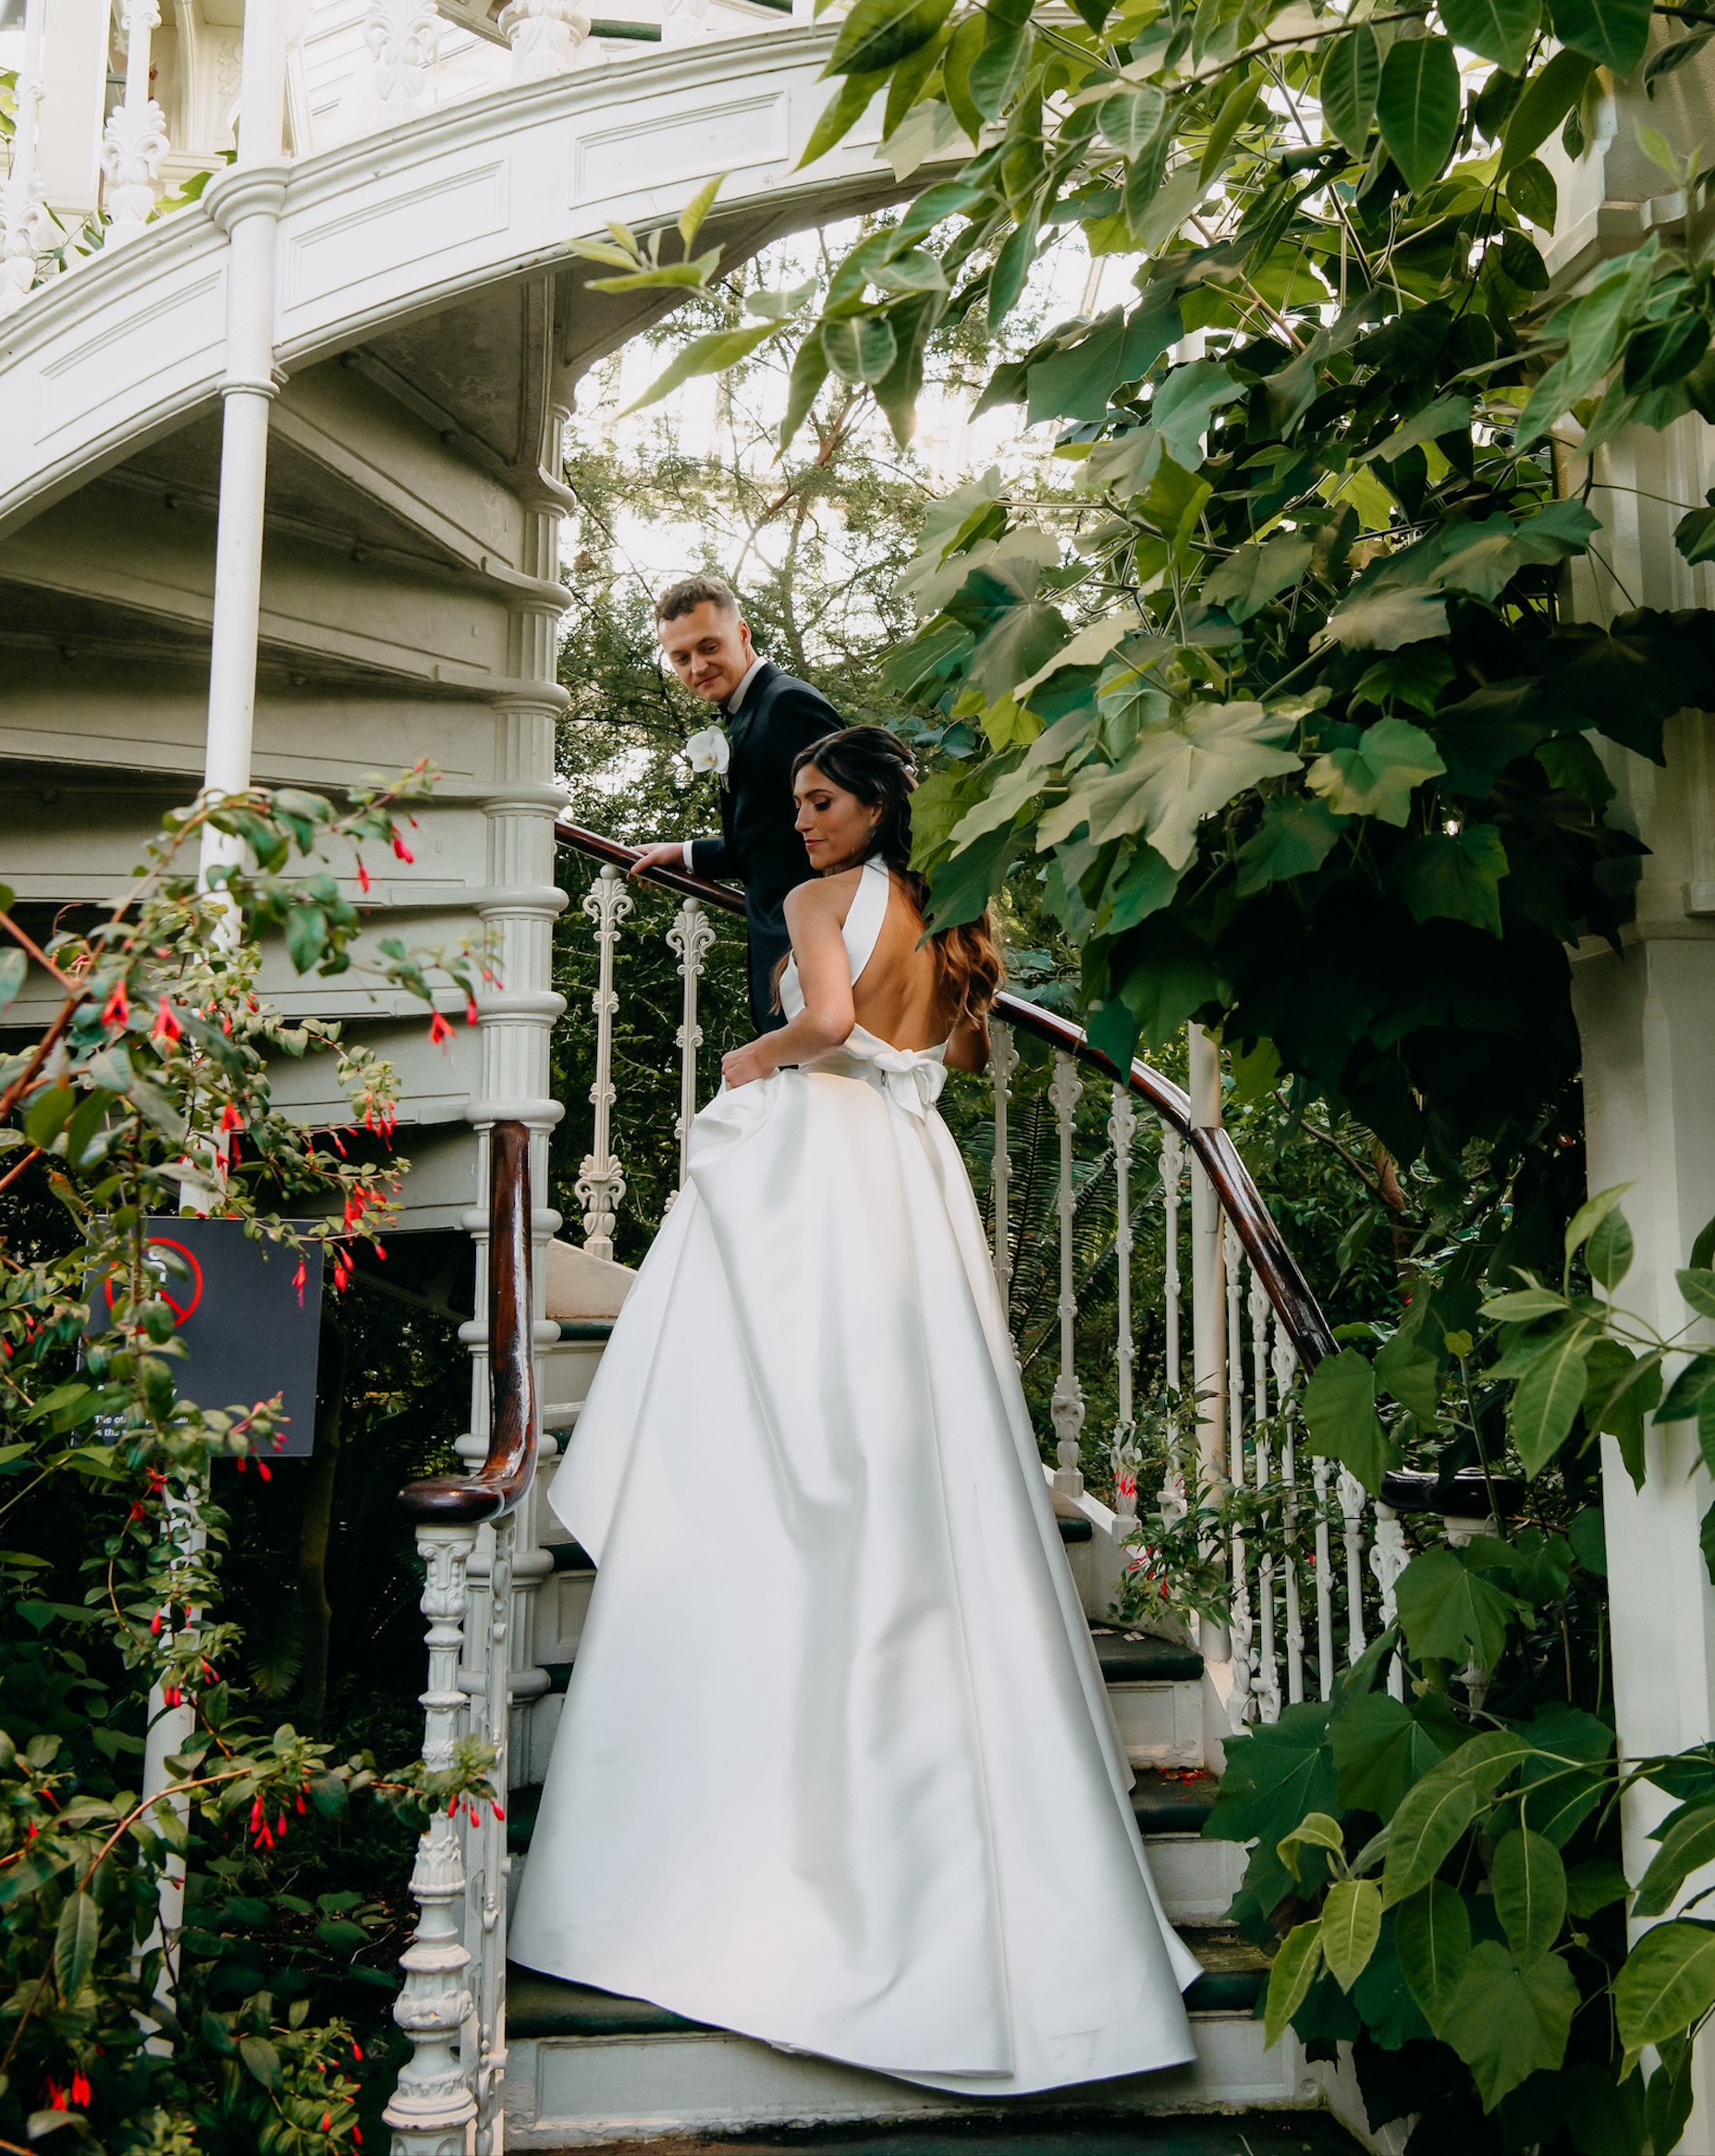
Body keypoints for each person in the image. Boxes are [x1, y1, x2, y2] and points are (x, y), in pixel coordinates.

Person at [508, 726, 1199, 2096]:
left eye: (821, 804)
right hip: (908, 1169)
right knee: (911, 1444)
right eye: (798, 806)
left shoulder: (828, 903)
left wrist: (748, 1064)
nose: (802, 826)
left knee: (796, 1436)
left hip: (827, 1158)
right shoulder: (946, 916)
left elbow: (826, 1027)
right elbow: (929, 1048)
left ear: (875, 807)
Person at [631, 576, 843, 1031]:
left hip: (818, 959)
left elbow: (851, 827)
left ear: (742, 634)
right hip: (790, 955)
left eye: (709, 646)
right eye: (681, 657)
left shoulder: (787, 707)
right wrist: (686, 853)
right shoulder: (752, 711)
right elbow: (774, 837)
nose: (697, 666)